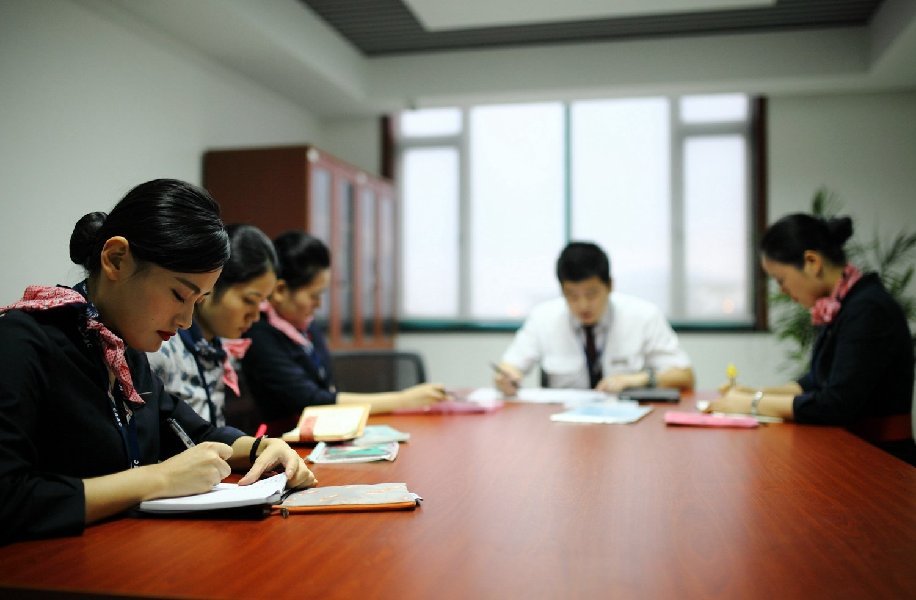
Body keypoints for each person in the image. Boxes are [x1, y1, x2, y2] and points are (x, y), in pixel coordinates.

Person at [0, 179, 315, 545]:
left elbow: (193, 433)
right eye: (179, 294)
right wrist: (159, 479)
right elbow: (8, 497)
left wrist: (262, 448)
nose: (185, 321)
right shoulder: (21, 342)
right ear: (116, 259)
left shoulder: (124, 347)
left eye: (197, 302)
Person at [708, 213, 915, 465]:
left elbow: (836, 405)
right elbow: (815, 382)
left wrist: (750, 404)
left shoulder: (868, 308)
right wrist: (753, 391)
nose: (782, 291)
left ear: (812, 262)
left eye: (781, 280)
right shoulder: (841, 304)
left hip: (881, 459)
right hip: (851, 450)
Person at [242, 231, 446, 435]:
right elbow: (311, 401)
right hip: (282, 442)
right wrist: (403, 400)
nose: (319, 304)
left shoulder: (305, 326)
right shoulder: (259, 335)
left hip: (319, 432)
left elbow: (326, 389)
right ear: (279, 290)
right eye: (314, 296)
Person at [494, 241, 694, 395]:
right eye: (572, 296)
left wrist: (638, 379)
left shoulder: (643, 316)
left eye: (591, 294)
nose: (582, 305)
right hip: (561, 427)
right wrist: (506, 378)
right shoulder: (543, 318)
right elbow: (509, 367)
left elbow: (685, 376)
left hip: (629, 426)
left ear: (610, 286)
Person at [148, 224, 276, 429]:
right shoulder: (161, 346)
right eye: (249, 300)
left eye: (261, 304)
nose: (255, 316)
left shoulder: (214, 346)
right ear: (211, 285)